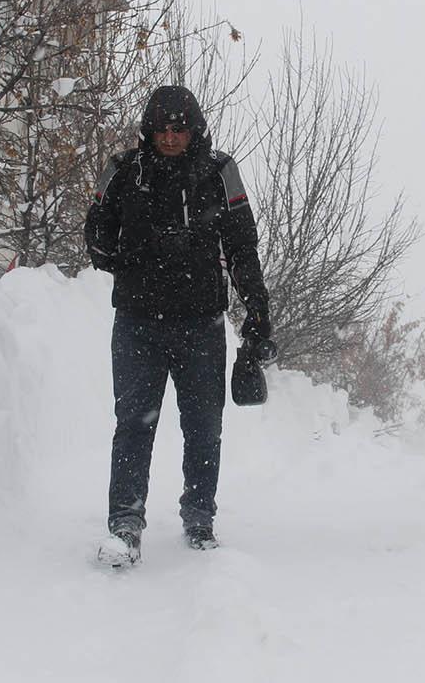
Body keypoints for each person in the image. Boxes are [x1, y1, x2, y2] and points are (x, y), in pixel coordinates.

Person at [84, 85, 272, 566]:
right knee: (133, 426)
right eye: (162, 128)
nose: (170, 137)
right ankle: (125, 525)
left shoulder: (218, 171)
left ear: (194, 129)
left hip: (201, 324)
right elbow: (97, 233)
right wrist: (127, 253)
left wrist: (257, 311)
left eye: (179, 128)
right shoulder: (125, 170)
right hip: (137, 323)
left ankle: (199, 518)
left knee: (204, 427)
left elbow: (242, 247)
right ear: (149, 129)